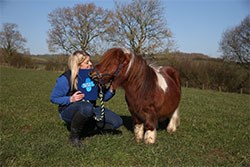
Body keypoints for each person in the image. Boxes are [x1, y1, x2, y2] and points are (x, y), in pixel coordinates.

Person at [50, 50, 123, 147]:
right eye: (87, 62)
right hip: (68, 110)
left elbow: (104, 98)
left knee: (117, 122)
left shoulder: (93, 76)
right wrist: (70, 99)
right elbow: (54, 98)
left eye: (90, 61)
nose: (91, 64)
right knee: (86, 107)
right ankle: (74, 136)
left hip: (90, 109)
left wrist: (112, 88)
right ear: (79, 65)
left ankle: (86, 129)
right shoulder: (66, 78)